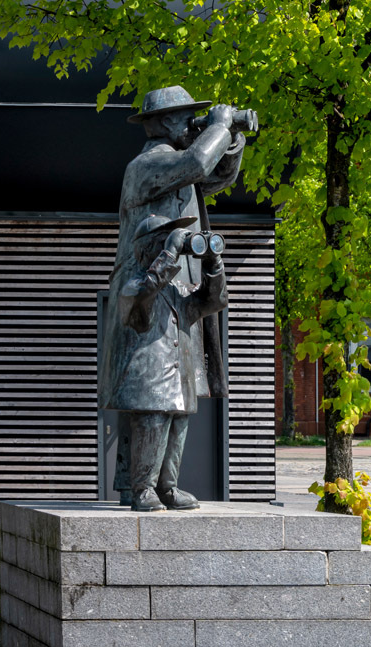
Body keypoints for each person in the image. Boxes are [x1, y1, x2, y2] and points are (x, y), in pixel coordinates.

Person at [100, 85, 255, 504]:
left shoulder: (179, 173)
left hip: (181, 289)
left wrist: (234, 138)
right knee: (152, 397)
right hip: (147, 287)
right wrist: (220, 124)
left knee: (181, 397)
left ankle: (165, 485)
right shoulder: (148, 166)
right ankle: (143, 487)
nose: (192, 123)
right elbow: (197, 161)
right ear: (165, 122)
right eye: (186, 117)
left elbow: (218, 173)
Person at [106, 214, 228, 511]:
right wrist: (171, 251)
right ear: (148, 249)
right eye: (163, 240)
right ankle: (142, 489)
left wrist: (213, 263)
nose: (173, 243)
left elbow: (215, 301)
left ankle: (167, 487)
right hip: (149, 382)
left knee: (177, 431)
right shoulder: (132, 284)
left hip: (178, 381)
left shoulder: (180, 292)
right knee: (152, 429)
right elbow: (144, 293)